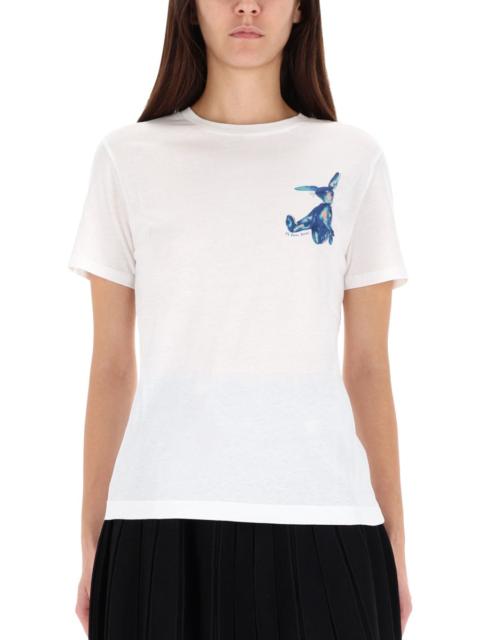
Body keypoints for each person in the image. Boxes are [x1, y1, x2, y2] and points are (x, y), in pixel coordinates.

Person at [69, 1, 413, 638]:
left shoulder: (353, 158)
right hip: (158, 521)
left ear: (301, 9)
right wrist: (92, 537)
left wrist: (396, 538)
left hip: (325, 517)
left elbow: (368, 366)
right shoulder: (128, 158)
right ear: (189, 9)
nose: (247, 5)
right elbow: (112, 364)